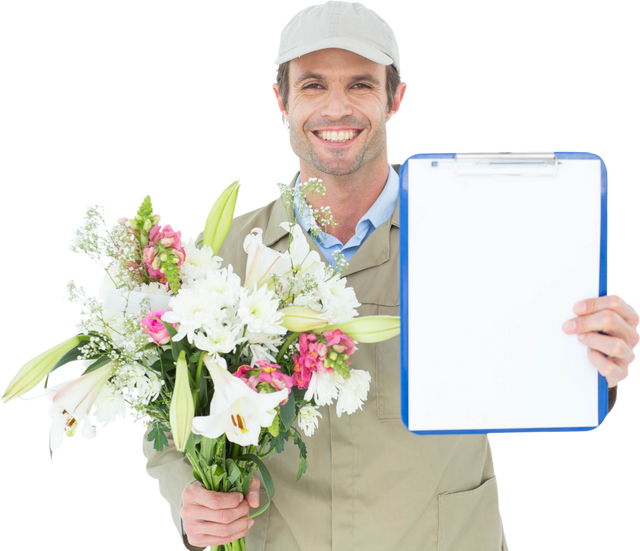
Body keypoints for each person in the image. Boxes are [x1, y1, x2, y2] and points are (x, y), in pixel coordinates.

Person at [141, 2, 630, 550]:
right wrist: (193, 502)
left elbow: (537, 367)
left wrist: (598, 367)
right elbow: (168, 419)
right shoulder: (223, 253)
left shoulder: (480, 232)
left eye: (360, 85)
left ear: (397, 97)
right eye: (312, 86)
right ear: (278, 98)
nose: (336, 108)